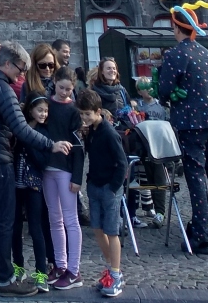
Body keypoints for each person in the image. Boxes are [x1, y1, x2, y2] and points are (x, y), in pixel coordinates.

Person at [0, 42, 72, 296]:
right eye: (20, 68)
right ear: (6, 63)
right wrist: (51, 144)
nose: (22, 74)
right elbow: (21, 128)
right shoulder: (2, 88)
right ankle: (6, 280)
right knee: (4, 221)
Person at [157, 7, 208, 254]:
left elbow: (164, 89)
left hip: (191, 122)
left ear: (176, 27)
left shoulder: (175, 54)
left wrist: (166, 95)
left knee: (196, 176)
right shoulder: (206, 54)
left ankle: (201, 235)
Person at [76, 89, 127, 298]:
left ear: (98, 111)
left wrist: (113, 188)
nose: (84, 118)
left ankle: (115, 273)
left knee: (112, 231)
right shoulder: (92, 131)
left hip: (109, 187)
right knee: (97, 227)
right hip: (95, 185)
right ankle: (111, 267)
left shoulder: (109, 133)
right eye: (82, 114)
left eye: (87, 114)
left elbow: (122, 163)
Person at [42, 68, 83, 289]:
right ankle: (60, 264)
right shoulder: (46, 105)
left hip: (66, 169)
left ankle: (74, 270)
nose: (65, 92)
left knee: (71, 219)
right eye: (61, 88)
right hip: (47, 167)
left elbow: (79, 148)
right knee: (54, 218)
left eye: (68, 89)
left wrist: (77, 177)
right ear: (55, 83)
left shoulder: (74, 111)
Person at [12, 94, 52, 292]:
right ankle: (18, 267)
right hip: (15, 182)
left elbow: (43, 162)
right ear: (30, 111)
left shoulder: (44, 133)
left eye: (46, 111)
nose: (43, 114)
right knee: (15, 227)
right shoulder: (20, 128)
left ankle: (41, 272)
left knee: (36, 228)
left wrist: (29, 142)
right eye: (40, 110)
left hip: (34, 184)